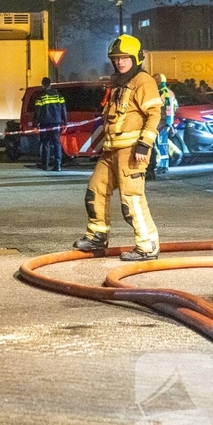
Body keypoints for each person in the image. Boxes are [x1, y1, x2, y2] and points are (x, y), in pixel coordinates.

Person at [73, 34, 162, 261]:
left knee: (131, 199)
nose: (120, 62)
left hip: (132, 151)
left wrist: (144, 145)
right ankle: (97, 236)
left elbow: (154, 115)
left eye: (125, 58)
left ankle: (147, 246)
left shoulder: (143, 81)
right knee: (95, 190)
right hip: (112, 150)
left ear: (136, 58)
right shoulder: (118, 82)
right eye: (116, 58)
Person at [33, 77, 68, 172]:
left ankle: (45, 165)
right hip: (57, 123)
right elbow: (63, 109)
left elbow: (37, 111)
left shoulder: (41, 96)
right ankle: (58, 166)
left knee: (45, 144)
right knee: (57, 144)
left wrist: (35, 125)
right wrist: (65, 122)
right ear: (50, 84)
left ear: (43, 85)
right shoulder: (58, 95)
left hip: (45, 123)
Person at [154, 73, 178, 176]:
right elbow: (175, 106)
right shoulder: (168, 92)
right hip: (164, 122)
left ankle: (163, 166)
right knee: (161, 143)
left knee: (161, 144)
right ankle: (172, 155)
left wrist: (167, 122)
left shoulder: (163, 93)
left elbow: (167, 108)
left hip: (162, 122)